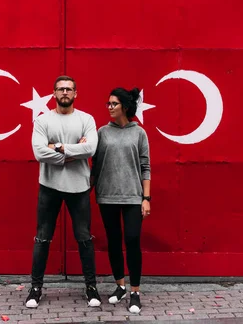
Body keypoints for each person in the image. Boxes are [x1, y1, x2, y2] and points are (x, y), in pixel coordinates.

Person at [26, 75, 101, 309]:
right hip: (49, 187)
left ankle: (91, 287)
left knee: (84, 239)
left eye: (69, 89)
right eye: (61, 89)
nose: (65, 93)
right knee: (42, 239)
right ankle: (35, 288)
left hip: (79, 188)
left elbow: (90, 148)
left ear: (76, 93)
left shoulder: (86, 119)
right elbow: (39, 153)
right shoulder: (43, 121)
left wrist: (57, 148)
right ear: (54, 93)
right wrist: (71, 153)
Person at [91, 87, 151, 314]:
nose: (109, 107)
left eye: (113, 104)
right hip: (106, 196)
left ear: (125, 107)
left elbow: (146, 167)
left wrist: (146, 198)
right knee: (114, 241)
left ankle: (135, 291)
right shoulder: (102, 132)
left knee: (133, 240)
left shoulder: (139, 133)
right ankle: (120, 286)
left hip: (133, 196)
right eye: (108, 104)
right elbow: (94, 166)